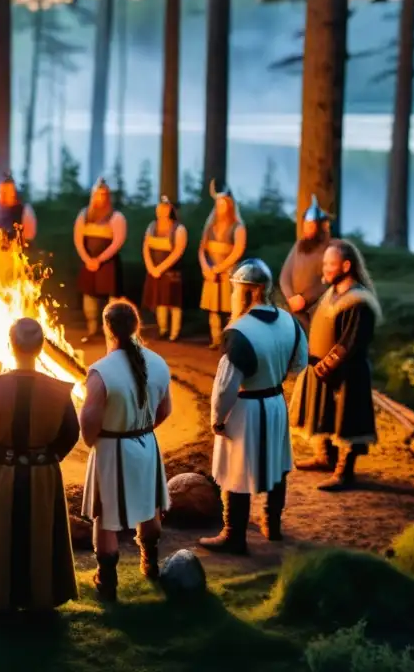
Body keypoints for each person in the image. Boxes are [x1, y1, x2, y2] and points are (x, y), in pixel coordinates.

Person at [0, 318, 80, 612]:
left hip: (4, 474)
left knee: (1, 535)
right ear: (41, 347)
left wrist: (0, 462)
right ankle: (41, 596)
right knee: (41, 534)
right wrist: (47, 457)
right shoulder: (59, 390)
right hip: (43, 476)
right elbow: (70, 433)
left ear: (10, 346)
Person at [199, 259, 307, 555]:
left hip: (245, 409)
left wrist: (218, 419)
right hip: (274, 403)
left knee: (237, 470)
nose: (233, 295)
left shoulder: (239, 331)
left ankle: (234, 536)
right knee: (276, 462)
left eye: (237, 289)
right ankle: (272, 524)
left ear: (252, 291)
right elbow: (299, 364)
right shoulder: (289, 321)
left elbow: (226, 386)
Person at [80, 299, 172, 602]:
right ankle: (150, 562)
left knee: (105, 516)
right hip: (146, 444)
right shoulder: (158, 363)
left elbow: (88, 420)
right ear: (136, 326)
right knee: (149, 507)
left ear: (108, 328)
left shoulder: (101, 371)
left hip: (112, 448)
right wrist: (141, 430)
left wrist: (96, 441)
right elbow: (165, 410)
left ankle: (107, 580)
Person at [289, 239, 381, 491]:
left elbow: (351, 342)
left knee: (345, 420)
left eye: (331, 264)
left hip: (346, 373)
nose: (325, 269)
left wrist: (325, 366)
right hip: (324, 370)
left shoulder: (358, 301)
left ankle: (344, 471)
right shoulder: (333, 292)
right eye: (325, 263)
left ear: (347, 265)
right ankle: (325, 458)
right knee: (324, 414)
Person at [74, 178, 127, 344]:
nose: (101, 198)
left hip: (108, 264)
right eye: (98, 194)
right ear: (93, 195)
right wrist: (87, 259)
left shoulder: (116, 217)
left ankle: (112, 333)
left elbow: (118, 242)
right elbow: (78, 239)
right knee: (89, 296)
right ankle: (92, 330)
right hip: (89, 262)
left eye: (104, 195)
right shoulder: (84, 215)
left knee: (111, 298)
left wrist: (100, 259)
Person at [198, 180, 247, 349]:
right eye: (218, 204)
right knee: (213, 308)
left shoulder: (238, 227)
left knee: (229, 309)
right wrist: (206, 267)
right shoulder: (210, 226)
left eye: (223, 204)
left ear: (230, 205)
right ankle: (215, 339)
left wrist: (220, 268)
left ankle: (229, 340)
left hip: (229, 273)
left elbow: (238, 251)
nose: (220, 207)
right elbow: (202, 249)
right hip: (211, 274)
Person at [279, 194, 331, 331]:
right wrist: (291, 297)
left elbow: (326, 282)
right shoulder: (299, 246)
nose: (308, 228)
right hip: (293, 306)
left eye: (312, 225)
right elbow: (285, 275)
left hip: (315, 308)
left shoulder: (327, 249)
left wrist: (304, 299)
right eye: (306, 225)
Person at [142, 195, 187, 341]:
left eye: (165, 209)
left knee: (173, 302)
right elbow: (146, 247)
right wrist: (150, 267)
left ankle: (175, 333)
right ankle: (163, 329)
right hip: (155, 271)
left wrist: (161, 268)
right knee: (160, 301)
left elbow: (177, 252)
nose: (161, 211)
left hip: (171, 272)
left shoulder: (179, 229)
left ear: (170, 210)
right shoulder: (151, 226)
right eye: (159, 208)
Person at [0, 173, 37, 247]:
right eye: (0, 192)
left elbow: (29, 239)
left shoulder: (24, 211)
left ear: (13, 193)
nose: (3, 196)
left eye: (6, 192)